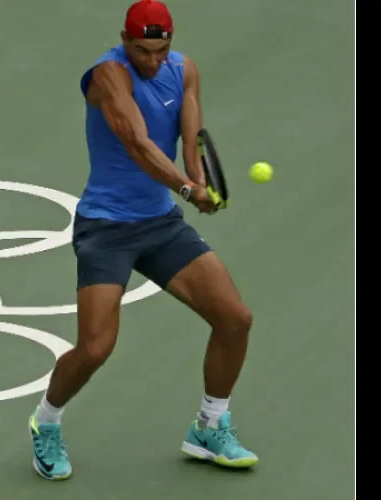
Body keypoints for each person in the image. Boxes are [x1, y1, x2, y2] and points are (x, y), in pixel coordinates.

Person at [27, 0, 258, 481]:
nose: (151, 60)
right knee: (95, 349)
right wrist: (187, 189)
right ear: (124, 40)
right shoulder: (108, 77)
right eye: (141, 50)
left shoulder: (184, 70)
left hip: (161, 226)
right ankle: (45, 421)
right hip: (106, 228)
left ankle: (209, 426)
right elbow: (136, 142)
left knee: (234, 319)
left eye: (160, 50)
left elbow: (190, 141)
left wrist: (199, 183)